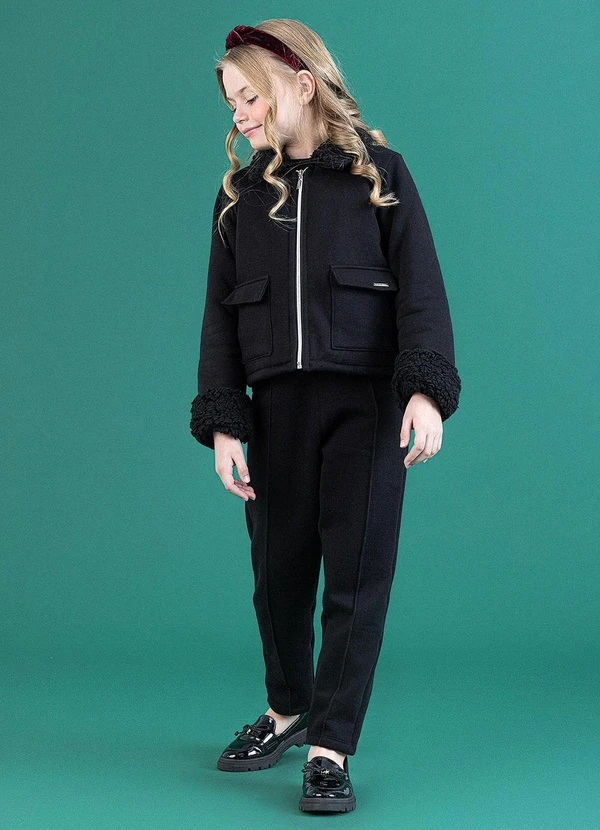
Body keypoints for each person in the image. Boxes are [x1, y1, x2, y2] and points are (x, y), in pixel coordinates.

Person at [190, 19, 462, 813]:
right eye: (231, 102)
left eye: (250, 96)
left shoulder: (380, 174)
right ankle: (287, 709)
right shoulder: (240, 197)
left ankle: (330, 745)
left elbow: (422, 289)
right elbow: (217, 320)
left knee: (355, 578)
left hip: (367, 407)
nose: (239, 114)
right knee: (277, 576)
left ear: (302, 85)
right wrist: (225, 421)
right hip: (274, 411)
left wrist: (424, 389)